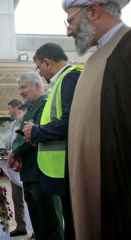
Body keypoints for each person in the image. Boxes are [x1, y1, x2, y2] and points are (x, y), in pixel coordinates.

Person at [62, 0, 131, 238]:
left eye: (70, 20)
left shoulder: (126, 50)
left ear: (93, 10)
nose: (68, 31)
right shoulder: (98, 57)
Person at [23, 42, 82, 239]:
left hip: (67, 168)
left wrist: (37, 132)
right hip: (60, 168)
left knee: (72, 225)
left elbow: (70, 122)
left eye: (38, 67)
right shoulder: (61, 82)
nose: (39, 72)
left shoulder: (69, 78)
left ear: (47, 62)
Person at [8, 72, 63, 240]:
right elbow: (20, 136)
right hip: (30, 174)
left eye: (24, 87)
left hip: (44, 175)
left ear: (37, 86)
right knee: (39, 224)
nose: (20, 92)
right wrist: (15, 154)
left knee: (50, 225)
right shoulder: (31, 109)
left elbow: (33, 137)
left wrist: (15, 153)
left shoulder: (46, 105)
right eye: (19, 88)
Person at [4, 99, 28, 238]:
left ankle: (34, 229)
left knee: (29, 198)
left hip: (25, 166)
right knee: (16, 198)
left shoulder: (25, 122)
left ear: (16, 108)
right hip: (14, 167)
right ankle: (21, 226)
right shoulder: (13, 125)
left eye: (9, 108)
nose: (8, 112)